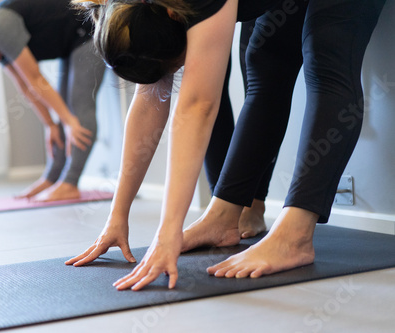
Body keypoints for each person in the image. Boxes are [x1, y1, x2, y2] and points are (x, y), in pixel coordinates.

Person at [66, 0, 387, 291]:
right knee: (265, 59)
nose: (178, 73)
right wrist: (117, 214)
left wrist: (168, 233)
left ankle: (296, 236)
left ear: (174, 15)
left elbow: (197, 107)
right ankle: (222, 216)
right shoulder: (142, 10)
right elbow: (150, 98)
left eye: (174, 65)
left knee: (327, 55)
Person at [0, 0, 106, 201]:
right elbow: (26, 87)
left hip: (88, 27)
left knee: (78, 108)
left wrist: (68, 121)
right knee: (64, 113)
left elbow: (36, 78)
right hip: (70, 41)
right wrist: (49, 124)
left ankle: (70, 183)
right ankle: (52, 179)